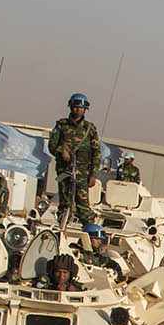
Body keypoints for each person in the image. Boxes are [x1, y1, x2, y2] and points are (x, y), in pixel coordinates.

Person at [48, 94, 100, 227]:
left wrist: (93, 174)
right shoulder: (61, 125)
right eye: (76, 107)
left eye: (81, 108)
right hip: (64, 170)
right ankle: (62, 229)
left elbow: (96, 153)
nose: (78, 110)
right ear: (71, 107)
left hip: (82, 172)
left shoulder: (89, 128)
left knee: (83, 204)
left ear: (85, 110)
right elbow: (52, 146)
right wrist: (62, 152)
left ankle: (90, 232)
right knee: (65, 202)